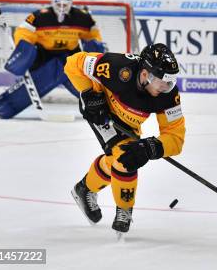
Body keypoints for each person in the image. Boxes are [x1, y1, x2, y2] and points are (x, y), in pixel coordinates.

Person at [64, 43, 186, 235]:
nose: (166, 87)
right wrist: (89, 94)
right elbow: (73, 63)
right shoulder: (116, 66)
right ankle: (124, 209)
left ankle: (84, 189)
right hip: (100, 112)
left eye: (170, 82)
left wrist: (150, 147)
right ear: (145, 74)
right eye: (162, 81)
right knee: (124, 157)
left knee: (123, 157)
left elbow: (175, 138)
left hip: (129, 124)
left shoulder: (168, 96)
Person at [0, 0, 106, 119]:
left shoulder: (82, 17)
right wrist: (24, 45)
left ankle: (101, 104)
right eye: (58, 4)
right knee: (45, 76)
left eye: (65, 4)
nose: (61, 7)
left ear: (70, 4)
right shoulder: (40, 16)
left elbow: (93, 35)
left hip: (69, 54)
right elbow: (23, 32)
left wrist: (95, 45)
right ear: (52, 3)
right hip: (44, 54)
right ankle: (4, 106)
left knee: (81, 76)